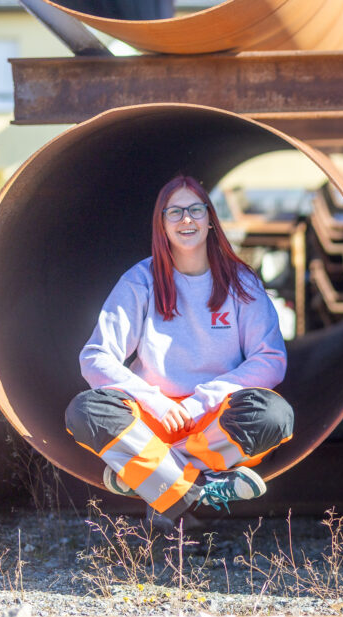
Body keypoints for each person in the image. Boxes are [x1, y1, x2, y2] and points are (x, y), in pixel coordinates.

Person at [65, 175, 294, 522]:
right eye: (175, 212)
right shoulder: (140, 280)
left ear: (210, 219)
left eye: (195, 210)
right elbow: (96, 356)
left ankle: (148, 475)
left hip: (214, 423)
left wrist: (201, 401)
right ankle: (198, 488)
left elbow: (270, 359)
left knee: (274, 415)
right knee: (85, 411)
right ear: (162, 224)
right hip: (152, 420)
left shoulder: (241, 282)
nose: (186, 219)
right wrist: (154, 402)